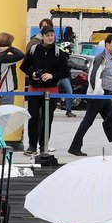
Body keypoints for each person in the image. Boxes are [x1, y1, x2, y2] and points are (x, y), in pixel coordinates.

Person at [68, 33, 112, 156]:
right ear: (107, 44)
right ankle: (75, 146)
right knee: (88, 121)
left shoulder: (111, 58)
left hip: (106, 94)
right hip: (100, 94)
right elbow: (94, 76)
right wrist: (97, 92)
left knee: (111, 121)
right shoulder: (101, 58)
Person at [22, 25, 68, 155]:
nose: (50, 38)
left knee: (48, 118)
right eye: (47, 35)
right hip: (34, 89)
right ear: (42, 37)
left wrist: (52, 75)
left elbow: (65, 72)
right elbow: (24, 66)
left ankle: (44, 145)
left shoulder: (59, 52)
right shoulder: (33, 50)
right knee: (33, 117)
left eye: (52, 35)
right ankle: (32, 145)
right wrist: (33, 74)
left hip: (51, 89)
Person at [0, 32, 26, 108]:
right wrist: (9, 48)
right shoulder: (4, 59)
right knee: (5, 116)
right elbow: (21, 55)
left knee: (2, 114)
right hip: (6, 90)